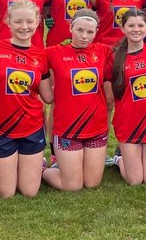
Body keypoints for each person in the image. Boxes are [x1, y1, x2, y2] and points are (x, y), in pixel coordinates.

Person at [0, 0, 49, 198]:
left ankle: (28, 166)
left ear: (37, 22)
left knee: (29, 191)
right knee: (6, 193)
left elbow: (48, 97)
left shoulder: (41, 56)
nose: (24, 27)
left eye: (29, 21)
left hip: (31, 127)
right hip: (0, 128)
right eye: (18, 22)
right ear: (8, 21)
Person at [42, 10, 110, 191]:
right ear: (70, 28)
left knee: (91, 183)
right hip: (67, 129)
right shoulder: (54, 52)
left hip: (96, 127)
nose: (84, 36)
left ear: (96, 31)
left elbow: (130, 54)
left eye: (90, 32)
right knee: (73, 186)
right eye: (79, 30)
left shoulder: (104, 51)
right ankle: (42, 169)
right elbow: (27, 59)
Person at [108, 9, 146, 185]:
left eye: (141, 25)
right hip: (128, 122)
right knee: (135, 180)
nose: (136, 29)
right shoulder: (114, 56)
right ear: (123, 28)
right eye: (131, 25)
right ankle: (119, 157)